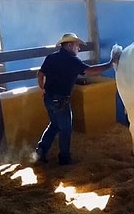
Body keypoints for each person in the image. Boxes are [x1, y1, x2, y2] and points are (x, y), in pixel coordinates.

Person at [34, 32, 117, 165]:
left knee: (54, 125)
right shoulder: (72, 60)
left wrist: (42, 88)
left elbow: (40, 73)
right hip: (61, 100)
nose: (79, 48)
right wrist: (110, 64)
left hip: (48, 98)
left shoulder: (51, 57)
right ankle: (64, 158)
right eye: (77, 45)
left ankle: (41, 151)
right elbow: (90, 71)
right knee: (65, 129)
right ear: (69, 45)